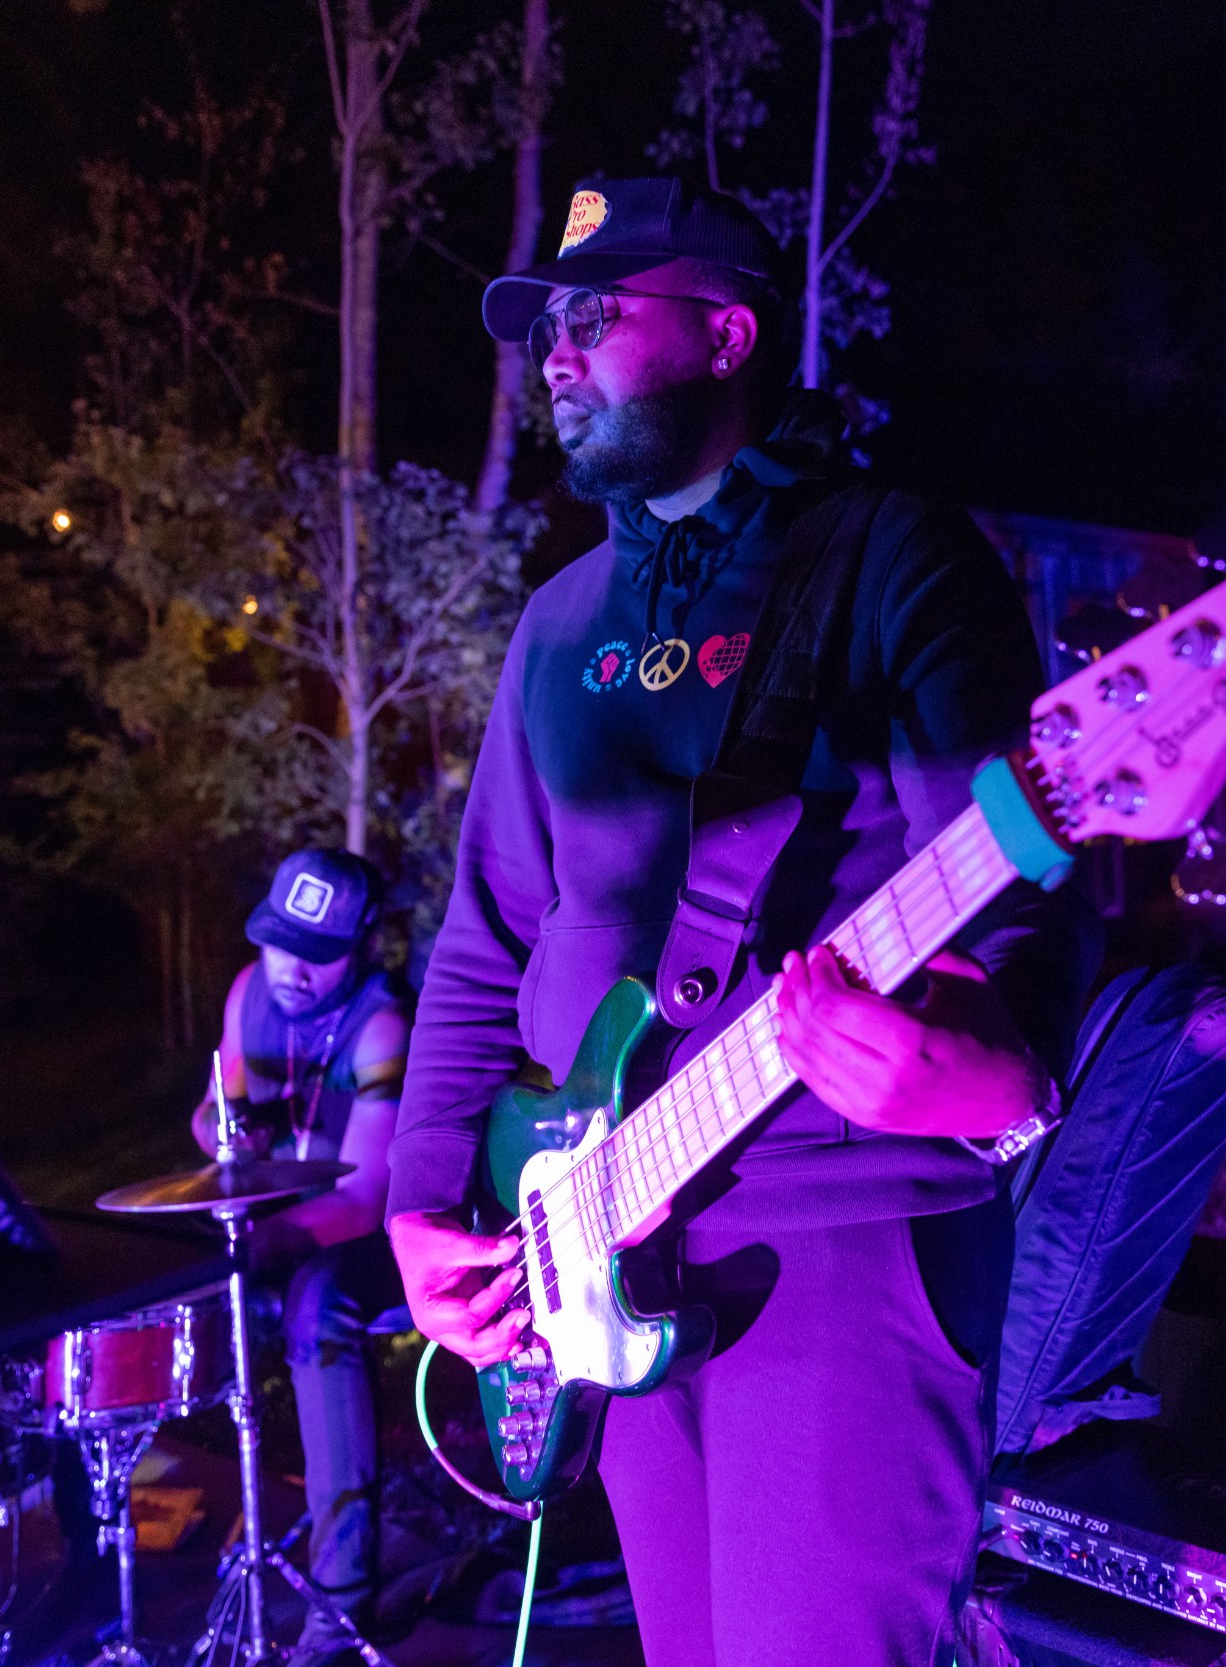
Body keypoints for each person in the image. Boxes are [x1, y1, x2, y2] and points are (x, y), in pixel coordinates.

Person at [386, 177, 1097, 1665]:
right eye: (548, 330)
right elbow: (485, 939)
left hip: (841, 1232)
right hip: (604, 1228)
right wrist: (423, 1192)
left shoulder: (896, 555)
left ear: (724, 331)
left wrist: (997, 1073)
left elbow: (1014, 866)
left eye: (595, 316)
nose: (558, 356)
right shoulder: (561, 625)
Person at [193, 848, 410, 1666]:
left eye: (314, 954)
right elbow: (211, 1116)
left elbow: (363, 1203)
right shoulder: (249, 995)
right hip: (277, 1226)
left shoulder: (382, 1027)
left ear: (357, 949)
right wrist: (229, 1136)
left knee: (322, 1304)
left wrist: (254, 1242)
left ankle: (341, 1603)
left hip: (384, 1238)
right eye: (279, 941)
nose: (291, 967)